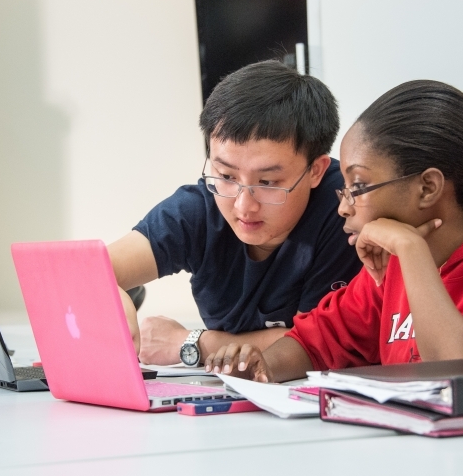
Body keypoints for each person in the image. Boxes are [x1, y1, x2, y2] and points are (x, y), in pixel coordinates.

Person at [205, 79, 463, 382]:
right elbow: (318, 340)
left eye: (358, 187)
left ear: (427, 188)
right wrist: (260, 369)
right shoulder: (391, 266)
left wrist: (412, 251)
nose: (343, 206)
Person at [108, 60, 363, 366]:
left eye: (267, 182)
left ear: (315, 171)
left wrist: (191, 343)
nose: (244, 205)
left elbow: (320, 343)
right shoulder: (198, 209)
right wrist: (108, 290)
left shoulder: (347, 212)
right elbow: (89, 270)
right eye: (227, 175)